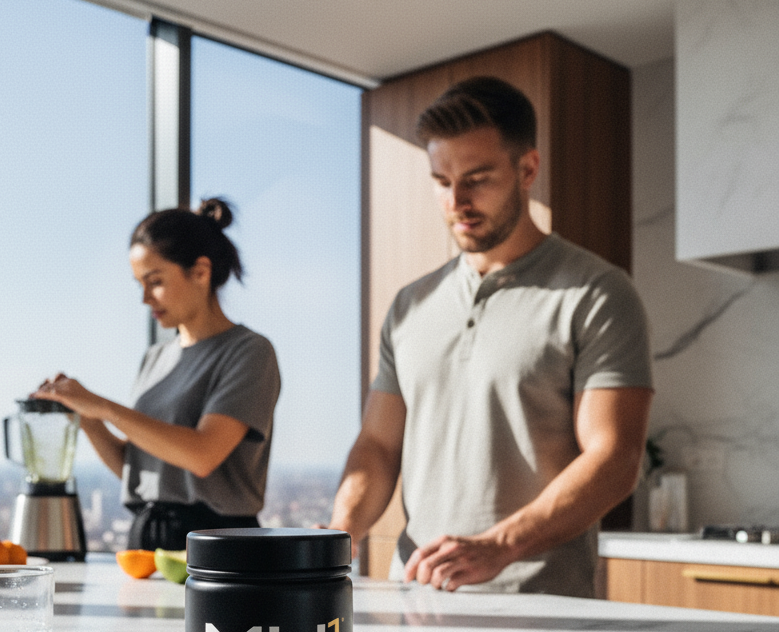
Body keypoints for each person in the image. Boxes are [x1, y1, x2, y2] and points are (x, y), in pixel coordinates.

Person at [329, 76, 653, 597]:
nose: (456, 200)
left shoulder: (597, 293)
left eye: (477, 179)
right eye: (441, 181)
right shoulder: (410, 305)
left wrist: (499, 546)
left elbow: (614, 458)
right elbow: (378, 446)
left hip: (540, 606)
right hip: (416, 597)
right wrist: (337, 534)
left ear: (528, 169)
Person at [33, 198, 281, 552]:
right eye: (140, 284)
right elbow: (139, 468)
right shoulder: (155, 358)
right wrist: (87, 418)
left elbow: (202, 455)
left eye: (155, 282)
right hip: (147, 537)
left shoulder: (249, 352)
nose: (145, 298)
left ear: (201, 272)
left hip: (219, 543)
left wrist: (103, 407)